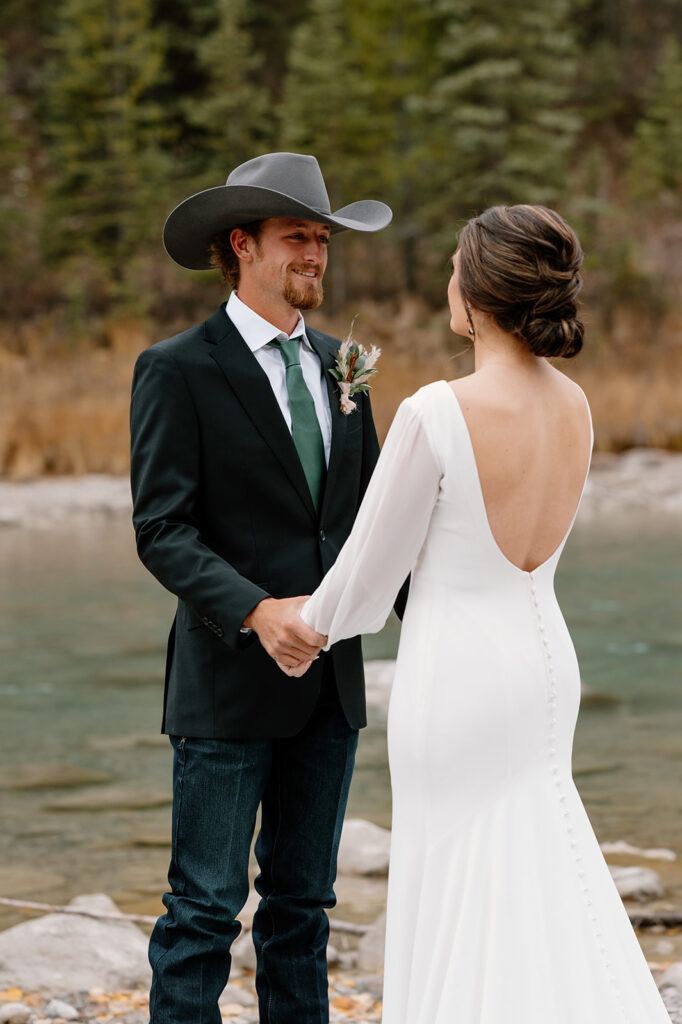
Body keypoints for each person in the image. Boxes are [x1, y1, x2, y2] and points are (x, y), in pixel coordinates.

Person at [291, 205, 672, 1022]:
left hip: (458, 676)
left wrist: (304, 627)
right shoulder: (577, 405)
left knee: (458, 876)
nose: (447, 283)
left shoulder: (438, 410)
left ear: (480, 293)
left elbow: (365, 575)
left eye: (455, 269)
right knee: (541, 861)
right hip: (544, 668)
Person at [129, 151, 401, 1024]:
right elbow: (161, 529)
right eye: (297, 237)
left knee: (301, 913)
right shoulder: (177, 369)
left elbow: (369, 525)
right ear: (241, 244)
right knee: (204, 911)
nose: (316, 255)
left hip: (330, 686)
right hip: (225, 685)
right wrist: (255, 609)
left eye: (323, 239)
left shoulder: (344, 366)